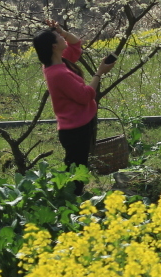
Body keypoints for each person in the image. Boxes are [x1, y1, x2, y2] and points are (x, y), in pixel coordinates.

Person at [34, 20, 114, 194]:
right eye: (59, 37)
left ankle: (71, 200)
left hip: (78, 126)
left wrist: (61, 31)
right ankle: (70, 203)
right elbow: (85, 95)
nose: (63, 37)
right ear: (54, 46)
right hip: (75, 130)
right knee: (76, 173)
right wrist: (100, 72)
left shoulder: (58, 62)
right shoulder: (58, 73)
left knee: (77, 169)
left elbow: (76, 44)